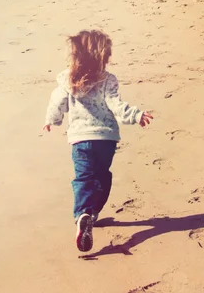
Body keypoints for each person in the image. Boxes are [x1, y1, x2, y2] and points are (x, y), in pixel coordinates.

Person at [43, 30, 153, 253]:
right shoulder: (108, 80)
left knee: (84, 177)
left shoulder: (67, 79)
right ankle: (92, 213)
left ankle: (84, 213)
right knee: (102, 177)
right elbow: (116, 106)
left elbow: (57, 103)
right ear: (101, 56)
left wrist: (51, 120)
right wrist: (136, 115)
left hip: (80, 140)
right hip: (106, 139)